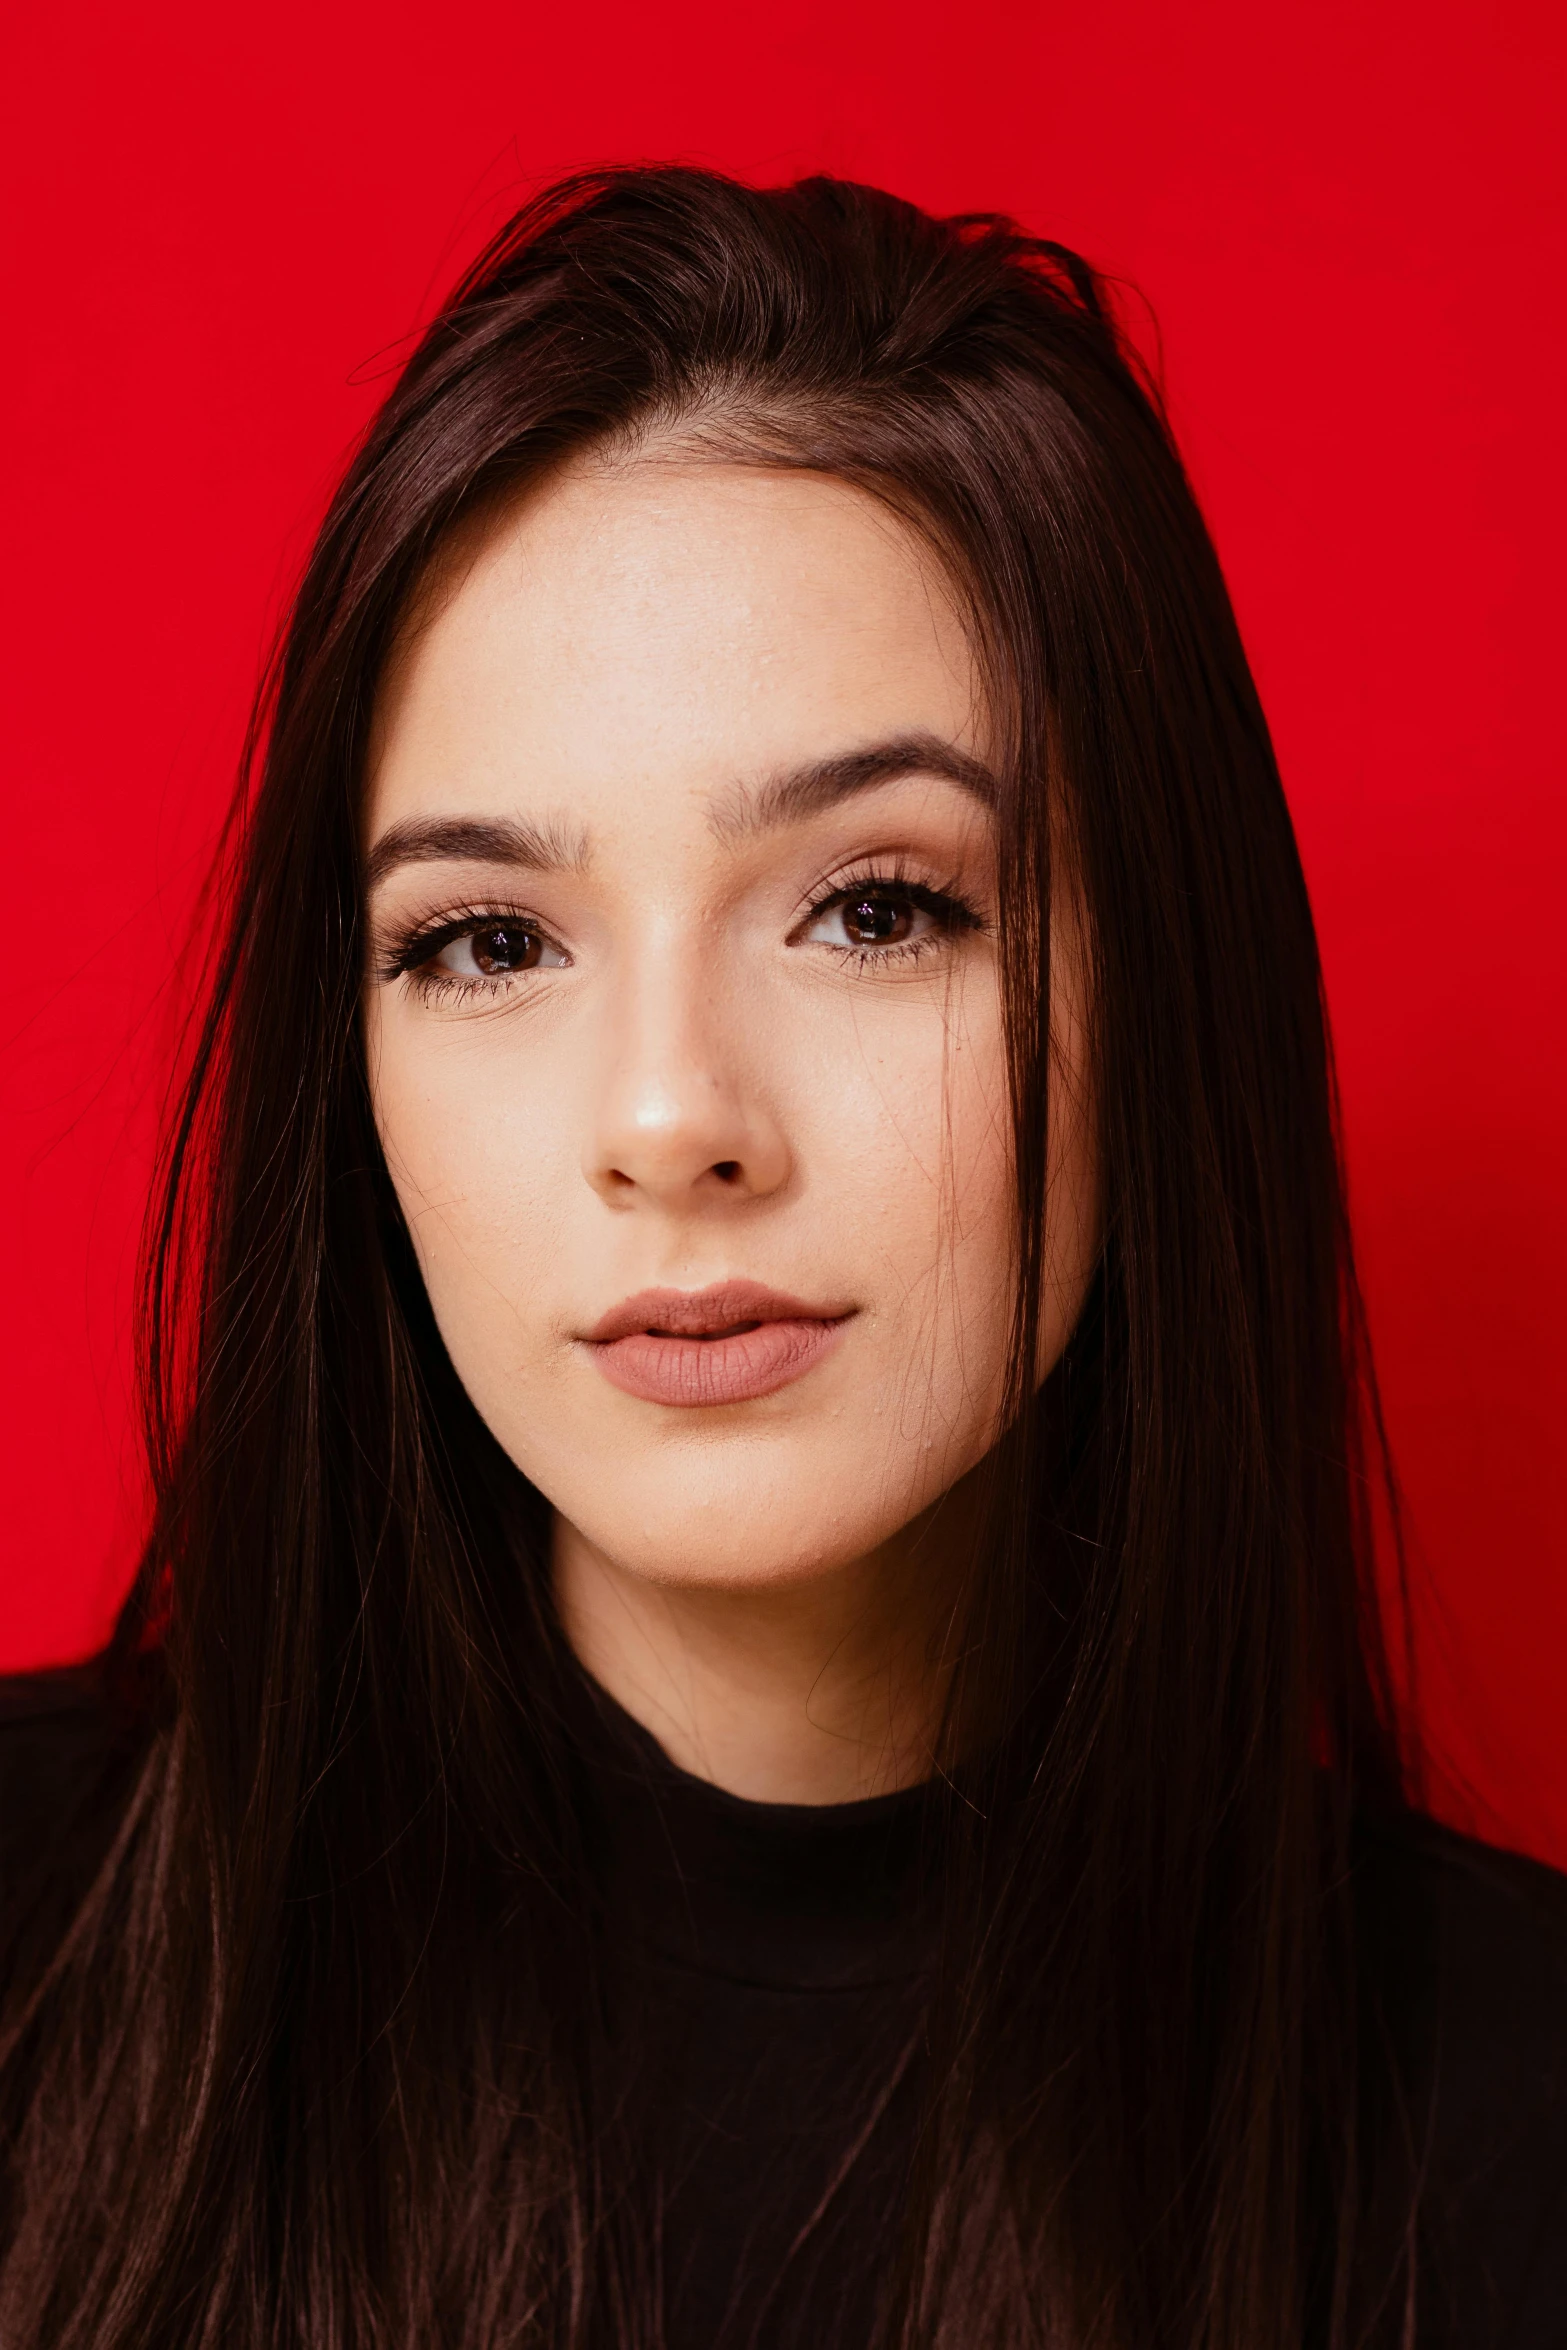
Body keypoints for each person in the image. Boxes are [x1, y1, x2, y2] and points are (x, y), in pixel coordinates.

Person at [1, 165, 1563, 2350]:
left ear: (1163, 979)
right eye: (485, 938)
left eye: (877, 907)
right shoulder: (38, 1948)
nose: (669, 1121)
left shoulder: (1506, 2116)